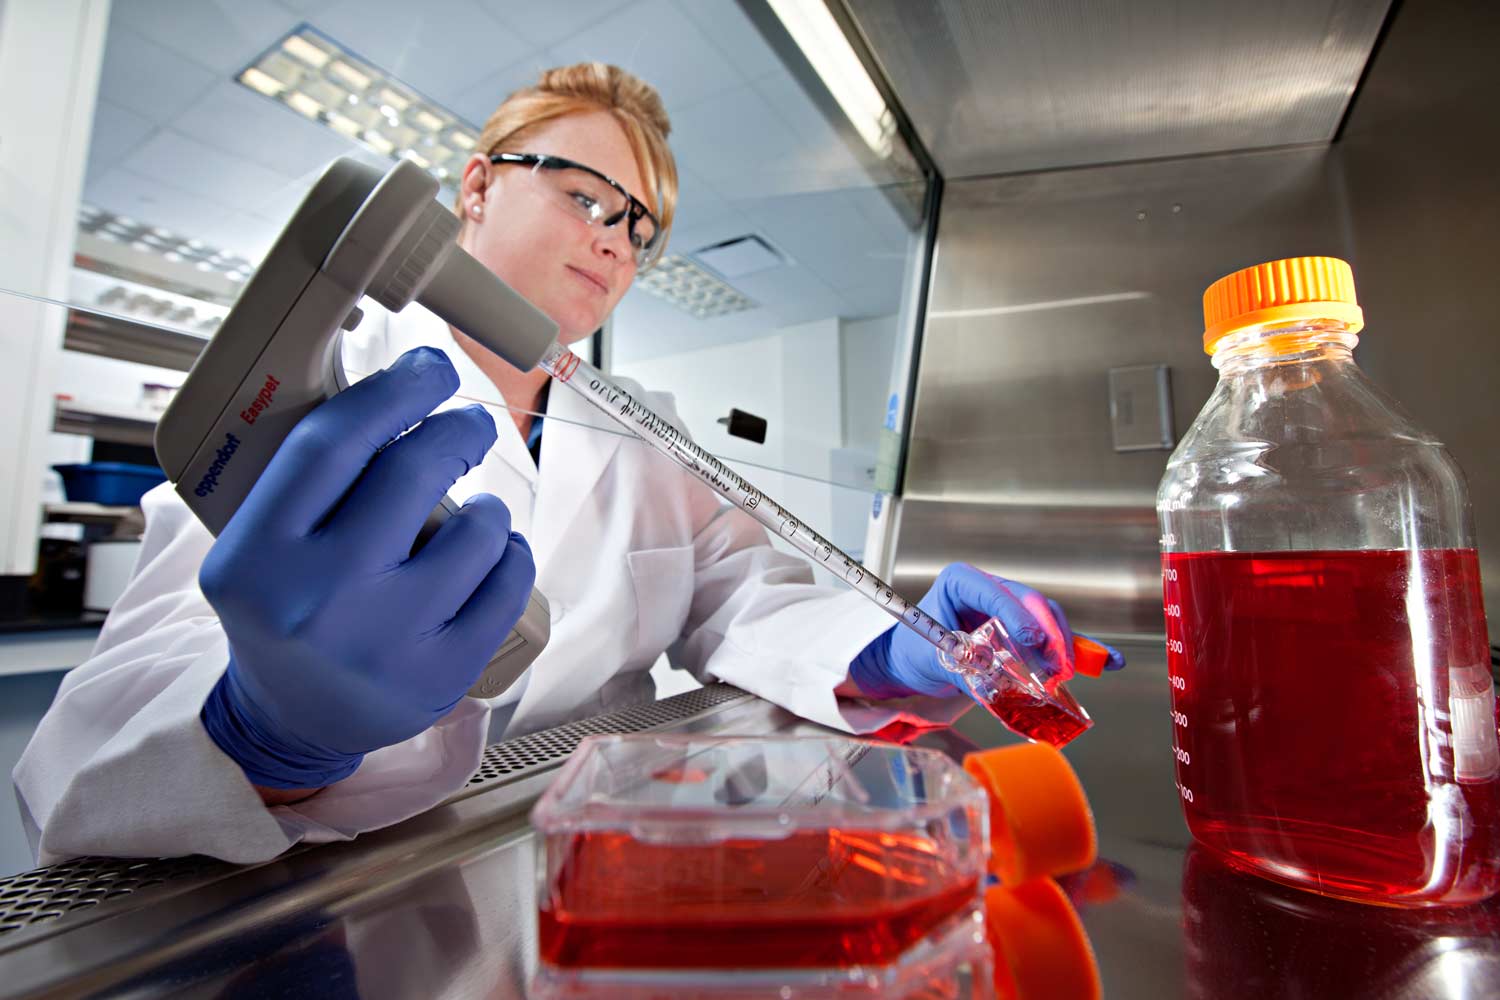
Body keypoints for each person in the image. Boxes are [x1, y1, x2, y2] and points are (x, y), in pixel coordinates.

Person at [13, 63, 1122, 866]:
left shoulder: (645, 427)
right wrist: (265, 730)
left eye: (640, 229)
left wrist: (888, 647)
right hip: (328, 889)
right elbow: (76, 756)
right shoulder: (326, 384)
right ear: (479, 185)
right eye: (586, 198)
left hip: (610, 850)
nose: (614, 243)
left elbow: (751, 598)